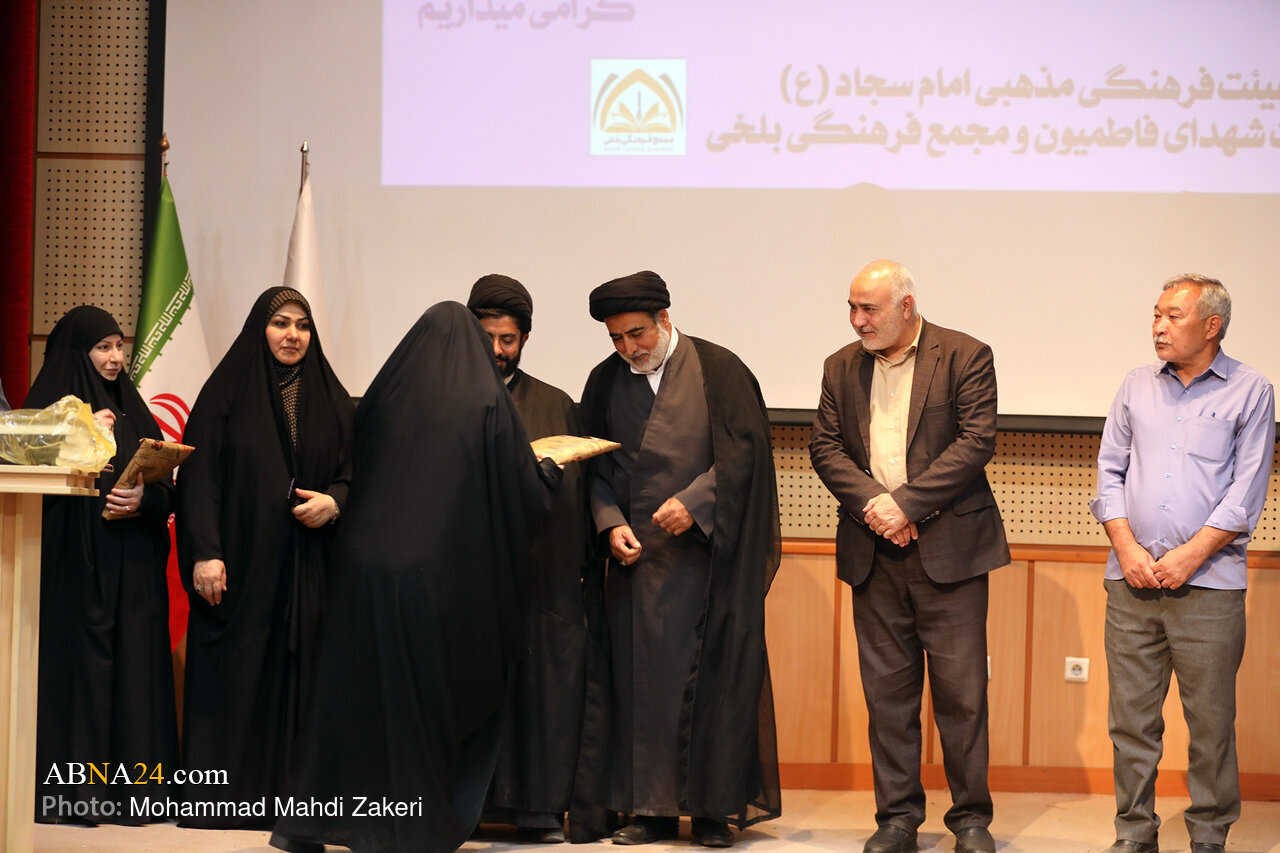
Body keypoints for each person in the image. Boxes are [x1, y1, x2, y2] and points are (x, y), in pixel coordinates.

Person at [269, 301, 562, 853]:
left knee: (351, 703)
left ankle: (310, 824)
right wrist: (547, 472)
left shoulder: (384, 395)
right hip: (436, 580)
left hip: (361, 573)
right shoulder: (485, 402)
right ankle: (407, 828)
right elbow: (522, 495)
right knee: (420, 708)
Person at [573, 271, 781, 848]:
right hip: (635, 571)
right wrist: (609, 523)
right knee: (640, 691)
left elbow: (747, 456)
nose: (628, 348)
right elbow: (591, 467)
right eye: (616, 338)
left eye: (637, 333)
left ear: (664, 319)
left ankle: (712, 811)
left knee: (712, 686)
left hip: (706, 565)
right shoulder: (604, 381)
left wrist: (697, 502)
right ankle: (650, 812)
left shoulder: (720, 370)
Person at [809, 259, 1008, 853]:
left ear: (906, 306)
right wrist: (878, 507)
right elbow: (825, 447)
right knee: (887, 697)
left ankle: (970, 820)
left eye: (868, 308)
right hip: (873, 550)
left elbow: (976, 441)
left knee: (962, 697)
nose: (857, 320)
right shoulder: (840, 366)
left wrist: (907, 506)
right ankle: (897, 819)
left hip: (951, 551)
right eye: (851, 308)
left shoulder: (965, 355)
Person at [1090, 275, 1274, 853]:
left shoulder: (1251, 391)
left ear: (1212, 326)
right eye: (1156, 315)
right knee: (1131, 721)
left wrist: (1189, 556)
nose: (1159, 327)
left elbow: (1246, 492)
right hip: (1131, 581)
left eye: (1173, 316)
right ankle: (1134, 834)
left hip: (1210, 586)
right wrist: (1127, 548)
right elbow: (1109, 473)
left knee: (1210, 723)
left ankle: (1209, 836)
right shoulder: (1135, 385)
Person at [176, 287, 353, 828]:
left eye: (303, 325)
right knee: (236, 674)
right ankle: (224, 800)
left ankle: (292, 801)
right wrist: (205, 553)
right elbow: (198, 479)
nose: (293, 335)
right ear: (260, 329)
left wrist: (335, 502)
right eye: (281, 323)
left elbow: (357, 471)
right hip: (241, 566)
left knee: (302, 677)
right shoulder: (225, 392)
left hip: (309, 567)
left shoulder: (332, 397)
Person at [27, 305, 178, 823]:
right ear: (77, 354)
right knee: (80, 674)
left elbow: (166, 489)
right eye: (102, 348)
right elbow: (26, 484)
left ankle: (137, 795)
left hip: (133, 567)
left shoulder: (133, 408)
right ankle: (75, 796)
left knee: (135, 672)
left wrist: (145, 500)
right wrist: (81, 434)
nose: (115, 358)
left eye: (119, 347)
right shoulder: (46, 414)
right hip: (74, 567)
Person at [467, 274, 590, 843]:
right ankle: (466, 807)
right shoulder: (446, 397)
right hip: (469, 578)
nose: (498, 349)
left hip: (541, 576)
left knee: (542, 688)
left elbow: (573, 501)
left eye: (508, 339)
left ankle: (538, 809)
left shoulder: (554, 404)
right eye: (487, 337)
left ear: (524, 340)